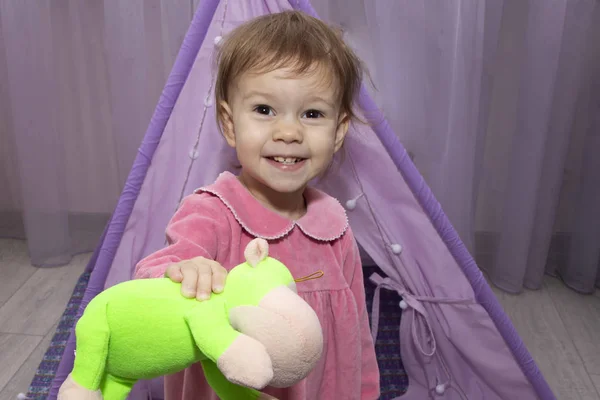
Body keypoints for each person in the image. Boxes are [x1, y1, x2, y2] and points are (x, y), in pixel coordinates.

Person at [134, 9, 380, 400]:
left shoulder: (333, 224)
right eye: (264, 110)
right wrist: (184, 271)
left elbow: (358, 339)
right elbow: (154, 275)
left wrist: (365, 393)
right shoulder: (212, 212)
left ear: (338, 131)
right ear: (230, 124)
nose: (288, 132)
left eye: (312, 114)